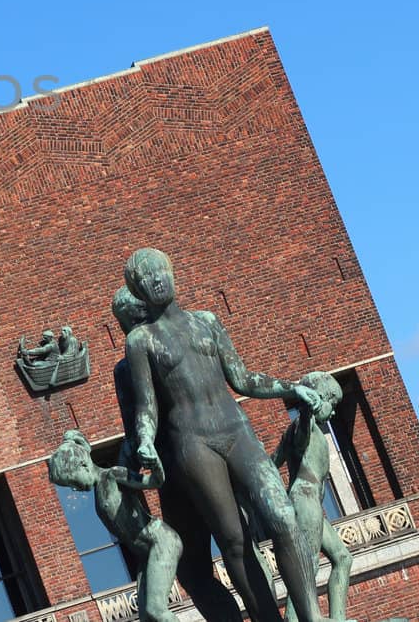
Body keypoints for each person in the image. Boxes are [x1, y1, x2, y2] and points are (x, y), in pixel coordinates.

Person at [123, 248, 337, 622]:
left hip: (237, 430)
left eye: (161, 270)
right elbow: (146, 406)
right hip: (193, 444)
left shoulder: (207, 321)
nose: (157, 279)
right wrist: (143, 440)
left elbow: (242, 378)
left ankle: (311, 617)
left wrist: (291, 389)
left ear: (173, 271)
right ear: (139, 289)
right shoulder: (141, 341)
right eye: (148, 277)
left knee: (283, 518)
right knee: (234, 540)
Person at [111, 287, 240, 622]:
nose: (128, 329)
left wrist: (131, 466)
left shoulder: (127, 368)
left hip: (174, 472)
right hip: (208, 459)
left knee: (197, 567)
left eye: (127, 320)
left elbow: (134, 431)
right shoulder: (190, 335)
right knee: (237, 548)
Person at [48, 429, 181, 622]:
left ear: (83, 465)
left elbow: (154, 481)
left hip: (161, 542)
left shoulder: (113, 474)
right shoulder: (98, 493)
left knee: (156, 610)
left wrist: (156, 465)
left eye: (72, 481)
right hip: (146, 555)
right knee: (147, 619)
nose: (74, 488)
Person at [272, 371, 353, 622]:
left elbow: (271, 463)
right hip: (305, 501)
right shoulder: (301, 426)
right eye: (333, 404)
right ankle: (294, 619)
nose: (334, 412)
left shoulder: (299, 429)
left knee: (342, 558)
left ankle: (337, 618)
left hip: (310, 504)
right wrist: (307, 411)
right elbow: (301, 436)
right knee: (308, 568)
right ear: (319, 398)